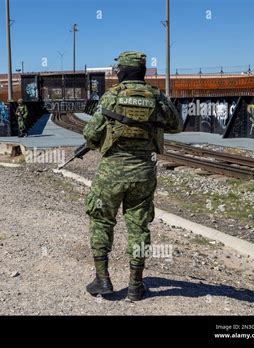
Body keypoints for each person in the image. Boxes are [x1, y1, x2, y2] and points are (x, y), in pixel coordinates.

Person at [83, 51, 183, 301]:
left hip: (112, 173)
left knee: (102, 220)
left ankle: (102, 280)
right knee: (138, 225)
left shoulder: (112, 97)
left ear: (123, 71)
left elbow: (91, 134)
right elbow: (176, 125)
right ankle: (136, 286)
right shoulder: (157, 97)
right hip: (144, 172)